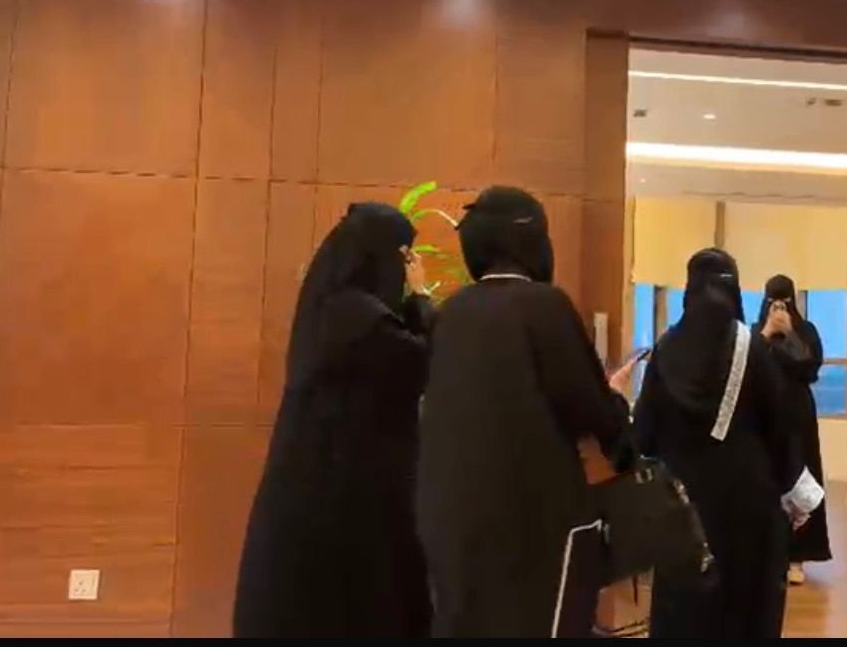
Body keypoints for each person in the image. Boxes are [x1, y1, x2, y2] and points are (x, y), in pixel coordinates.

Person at [417, 186, 632, 638]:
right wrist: (616, 400)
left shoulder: (449, 314)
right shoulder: (545, 306)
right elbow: (589, 409)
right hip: (532, 522)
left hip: (449, 516)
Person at [234, 202, 434, 637]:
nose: (408, 267)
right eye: (403, 255)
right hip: (349, 491)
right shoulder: (358, 316)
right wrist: (421, 297)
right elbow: (422, 362)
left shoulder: (331, 306)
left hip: (320, 483)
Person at [634, 249, 799, 638]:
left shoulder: (666, 349)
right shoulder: (752, 349)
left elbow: (644, 434)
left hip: (682, 506)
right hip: (748, 505)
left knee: (683, 608)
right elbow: (780, 429)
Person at [753, 274, 832, 586]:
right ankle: (767, 553)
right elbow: (749, 363)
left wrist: (790, 334)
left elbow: (810, 368)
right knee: (765, 480)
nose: (778, 309)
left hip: (797, 415)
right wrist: (767, 333)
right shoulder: (755, 333)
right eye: (772, 303)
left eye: (783, 303)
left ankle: (798, 554)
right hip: (763, 413)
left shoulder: (806, 330)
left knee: (801, 478)